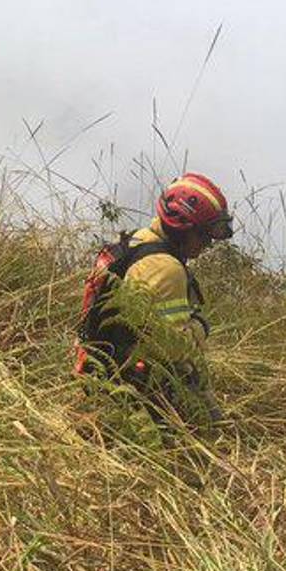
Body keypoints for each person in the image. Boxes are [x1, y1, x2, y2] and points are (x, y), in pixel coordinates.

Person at [75, 172, 233, 438]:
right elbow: (172, 348)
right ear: (183, 228)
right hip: (132, 394)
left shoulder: (138, 240)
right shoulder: (166, 268)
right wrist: (200, 326)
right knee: (208, 435)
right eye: (204, 236)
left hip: (99, 371)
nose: (208, 244)